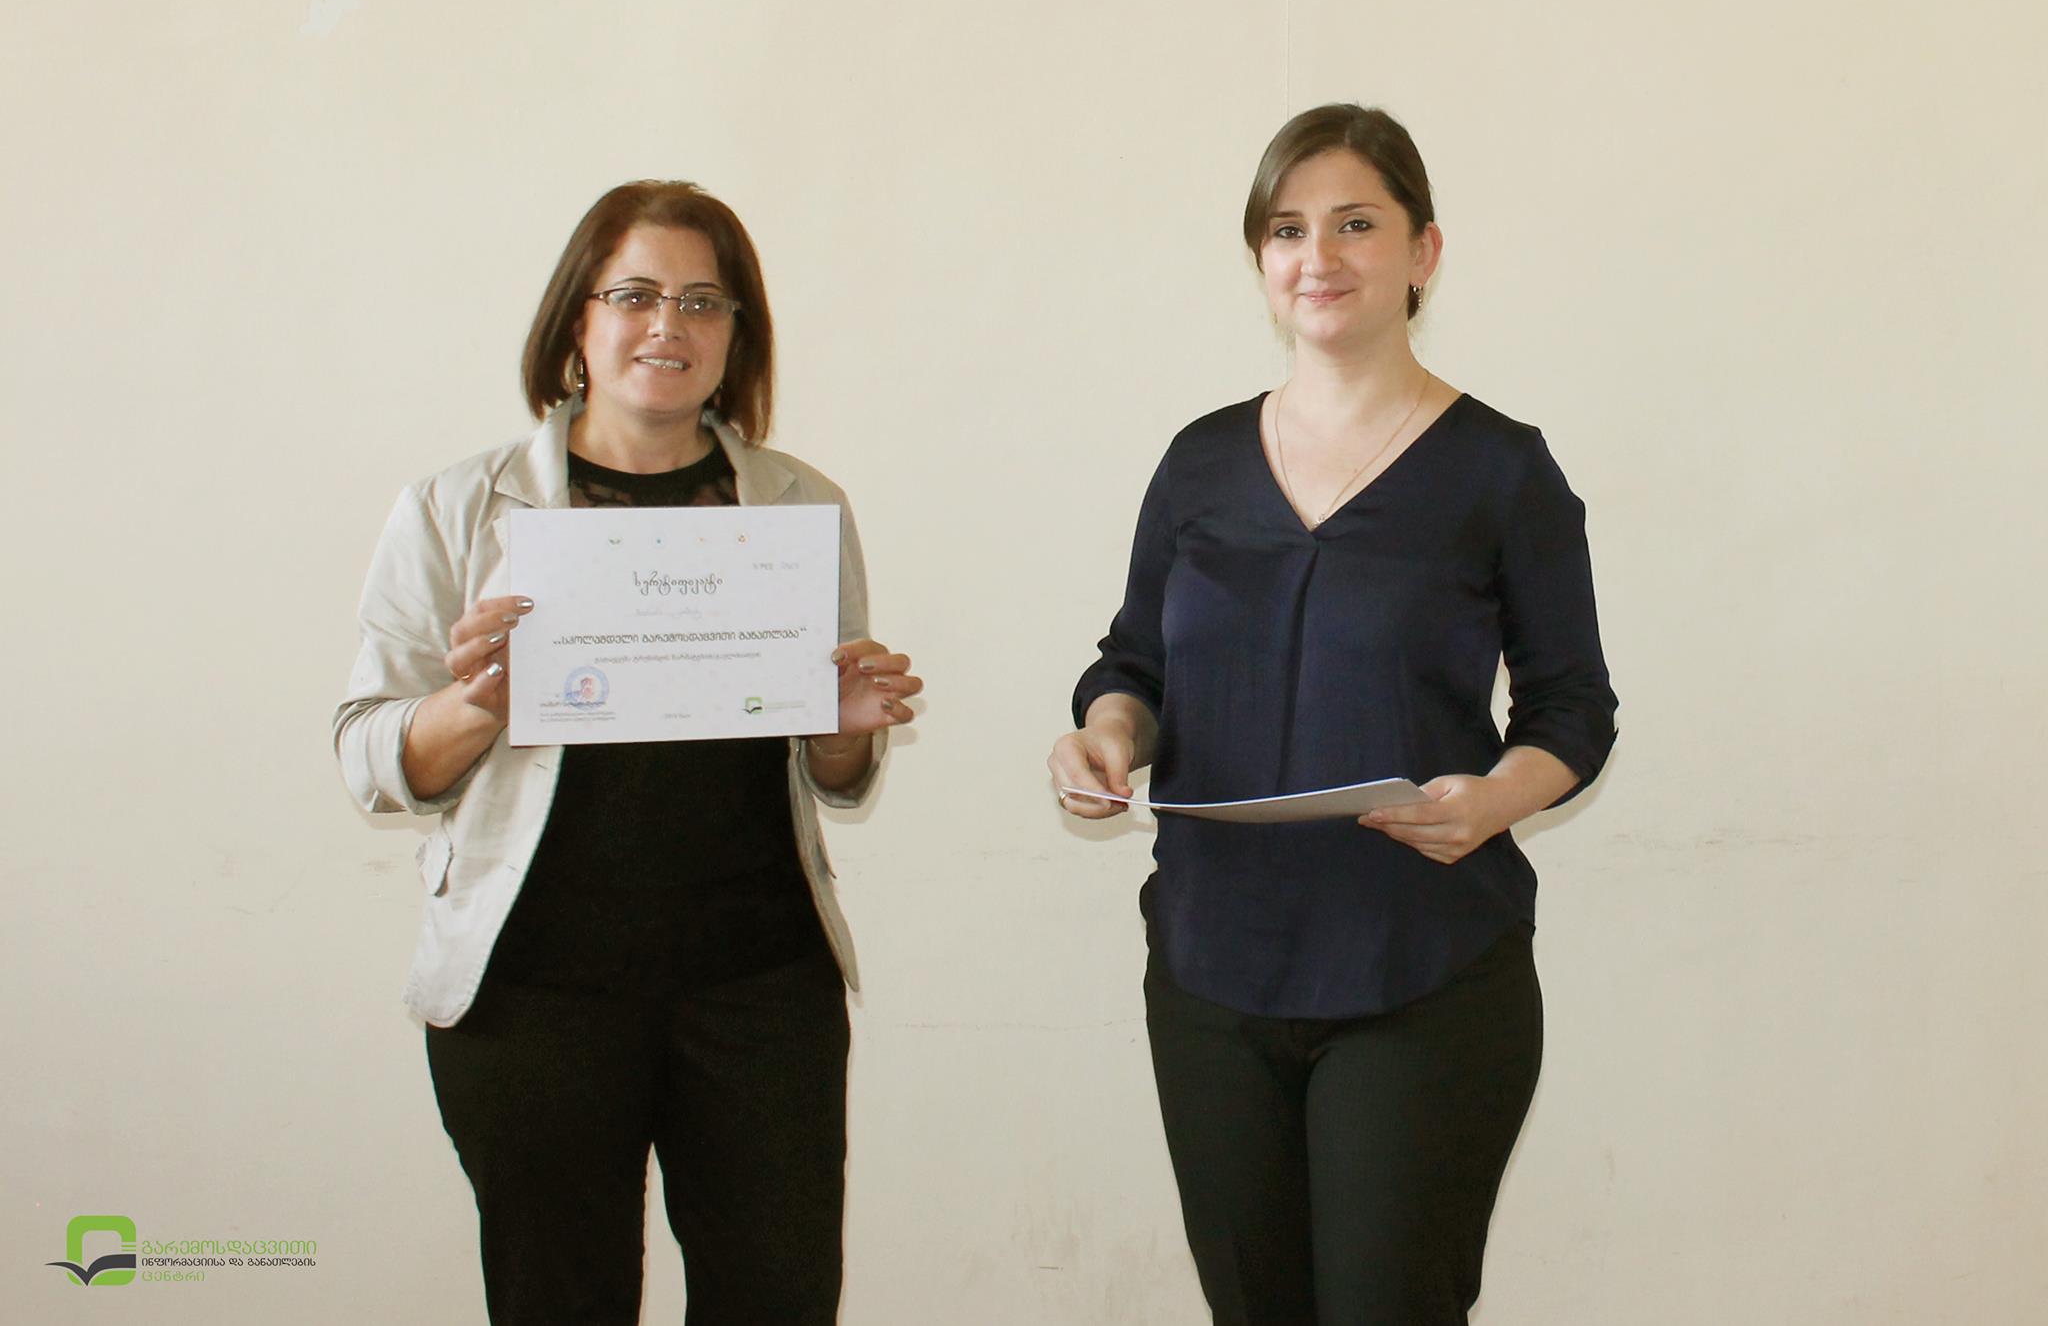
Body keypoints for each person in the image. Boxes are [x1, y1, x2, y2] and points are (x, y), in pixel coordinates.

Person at [1046, 105, 1617, 1325]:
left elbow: (1572, 705)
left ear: (1423, 252)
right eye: (1287, 229)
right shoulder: (1198, 461)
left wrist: (1493, 800)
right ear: (1259, 259)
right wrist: (1104, 735)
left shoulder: (1500, 468)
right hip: (1210, 971)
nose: (1319, 256)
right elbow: (1131, 664)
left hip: (1420, 969)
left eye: (1356, 224)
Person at [333, 180, 921, 1325]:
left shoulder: (797, 507)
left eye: (703, 302)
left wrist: (838, 732)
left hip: (759, 992)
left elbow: (834, 779)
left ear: (737, 332)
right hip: (534, 996)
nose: (669, 325)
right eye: (636, 295)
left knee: (780, 1301)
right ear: (577, 320)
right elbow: (368, 755)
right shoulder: (457, 507)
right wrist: (477, 706)